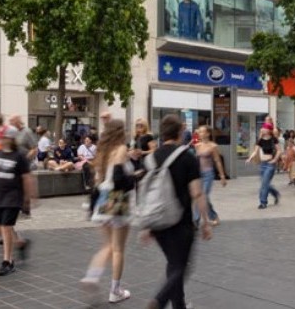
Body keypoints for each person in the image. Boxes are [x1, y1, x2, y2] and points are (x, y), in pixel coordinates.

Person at [139, 114, 212, 309]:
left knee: (174, 263)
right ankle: (159, 300)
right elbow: (197, 193)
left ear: (162, 133)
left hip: (157, 221)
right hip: (181, 222)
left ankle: (178, 305)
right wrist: (205, 221)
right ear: (180, 132)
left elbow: (145, 192)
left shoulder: (151, 158)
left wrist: (145, 225)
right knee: (182, 266)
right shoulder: (187, 157)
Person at [81, 119, 135, 304]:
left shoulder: (103, 152)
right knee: (118, 248)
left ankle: (92, 276)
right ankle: (115, 290)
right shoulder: (120, 149)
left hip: (103, 201)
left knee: (108, 246)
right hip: (118, 201)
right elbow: (120, 179)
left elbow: (98, 180)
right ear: (121, 131)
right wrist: (135, 177)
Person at [0, 125, 36, 276]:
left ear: (11, 138)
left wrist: (28, 199)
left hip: (13, 197)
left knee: (6, 228)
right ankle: (20, 244)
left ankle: (8, 261)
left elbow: (27, 178)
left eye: (3, 137)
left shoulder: (19, 156)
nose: (0, 140)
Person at [194, 125, 227, 223]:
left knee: (203, 195)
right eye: (199, 132)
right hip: (199, 174)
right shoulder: (197, 145)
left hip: (208, 173)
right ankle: (213, 216)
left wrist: (222, 176)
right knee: (200, 196)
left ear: (208, 133)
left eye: (202, 132)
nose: (200, 133)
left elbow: (217, 161)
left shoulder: (213, 146)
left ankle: (196, 219)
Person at [251, 126, 281, 209]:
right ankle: (275, 193)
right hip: (262, 164)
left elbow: (279, 150)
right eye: (262, 128)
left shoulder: (273, 139)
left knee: (264, 184)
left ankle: (263, 202)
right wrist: (250, 158)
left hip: (270, 164)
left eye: (264, 128)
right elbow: (255, 151)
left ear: (268, 130)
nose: (262, 129)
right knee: (265, 183)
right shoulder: (260, 140)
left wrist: (275, 160)